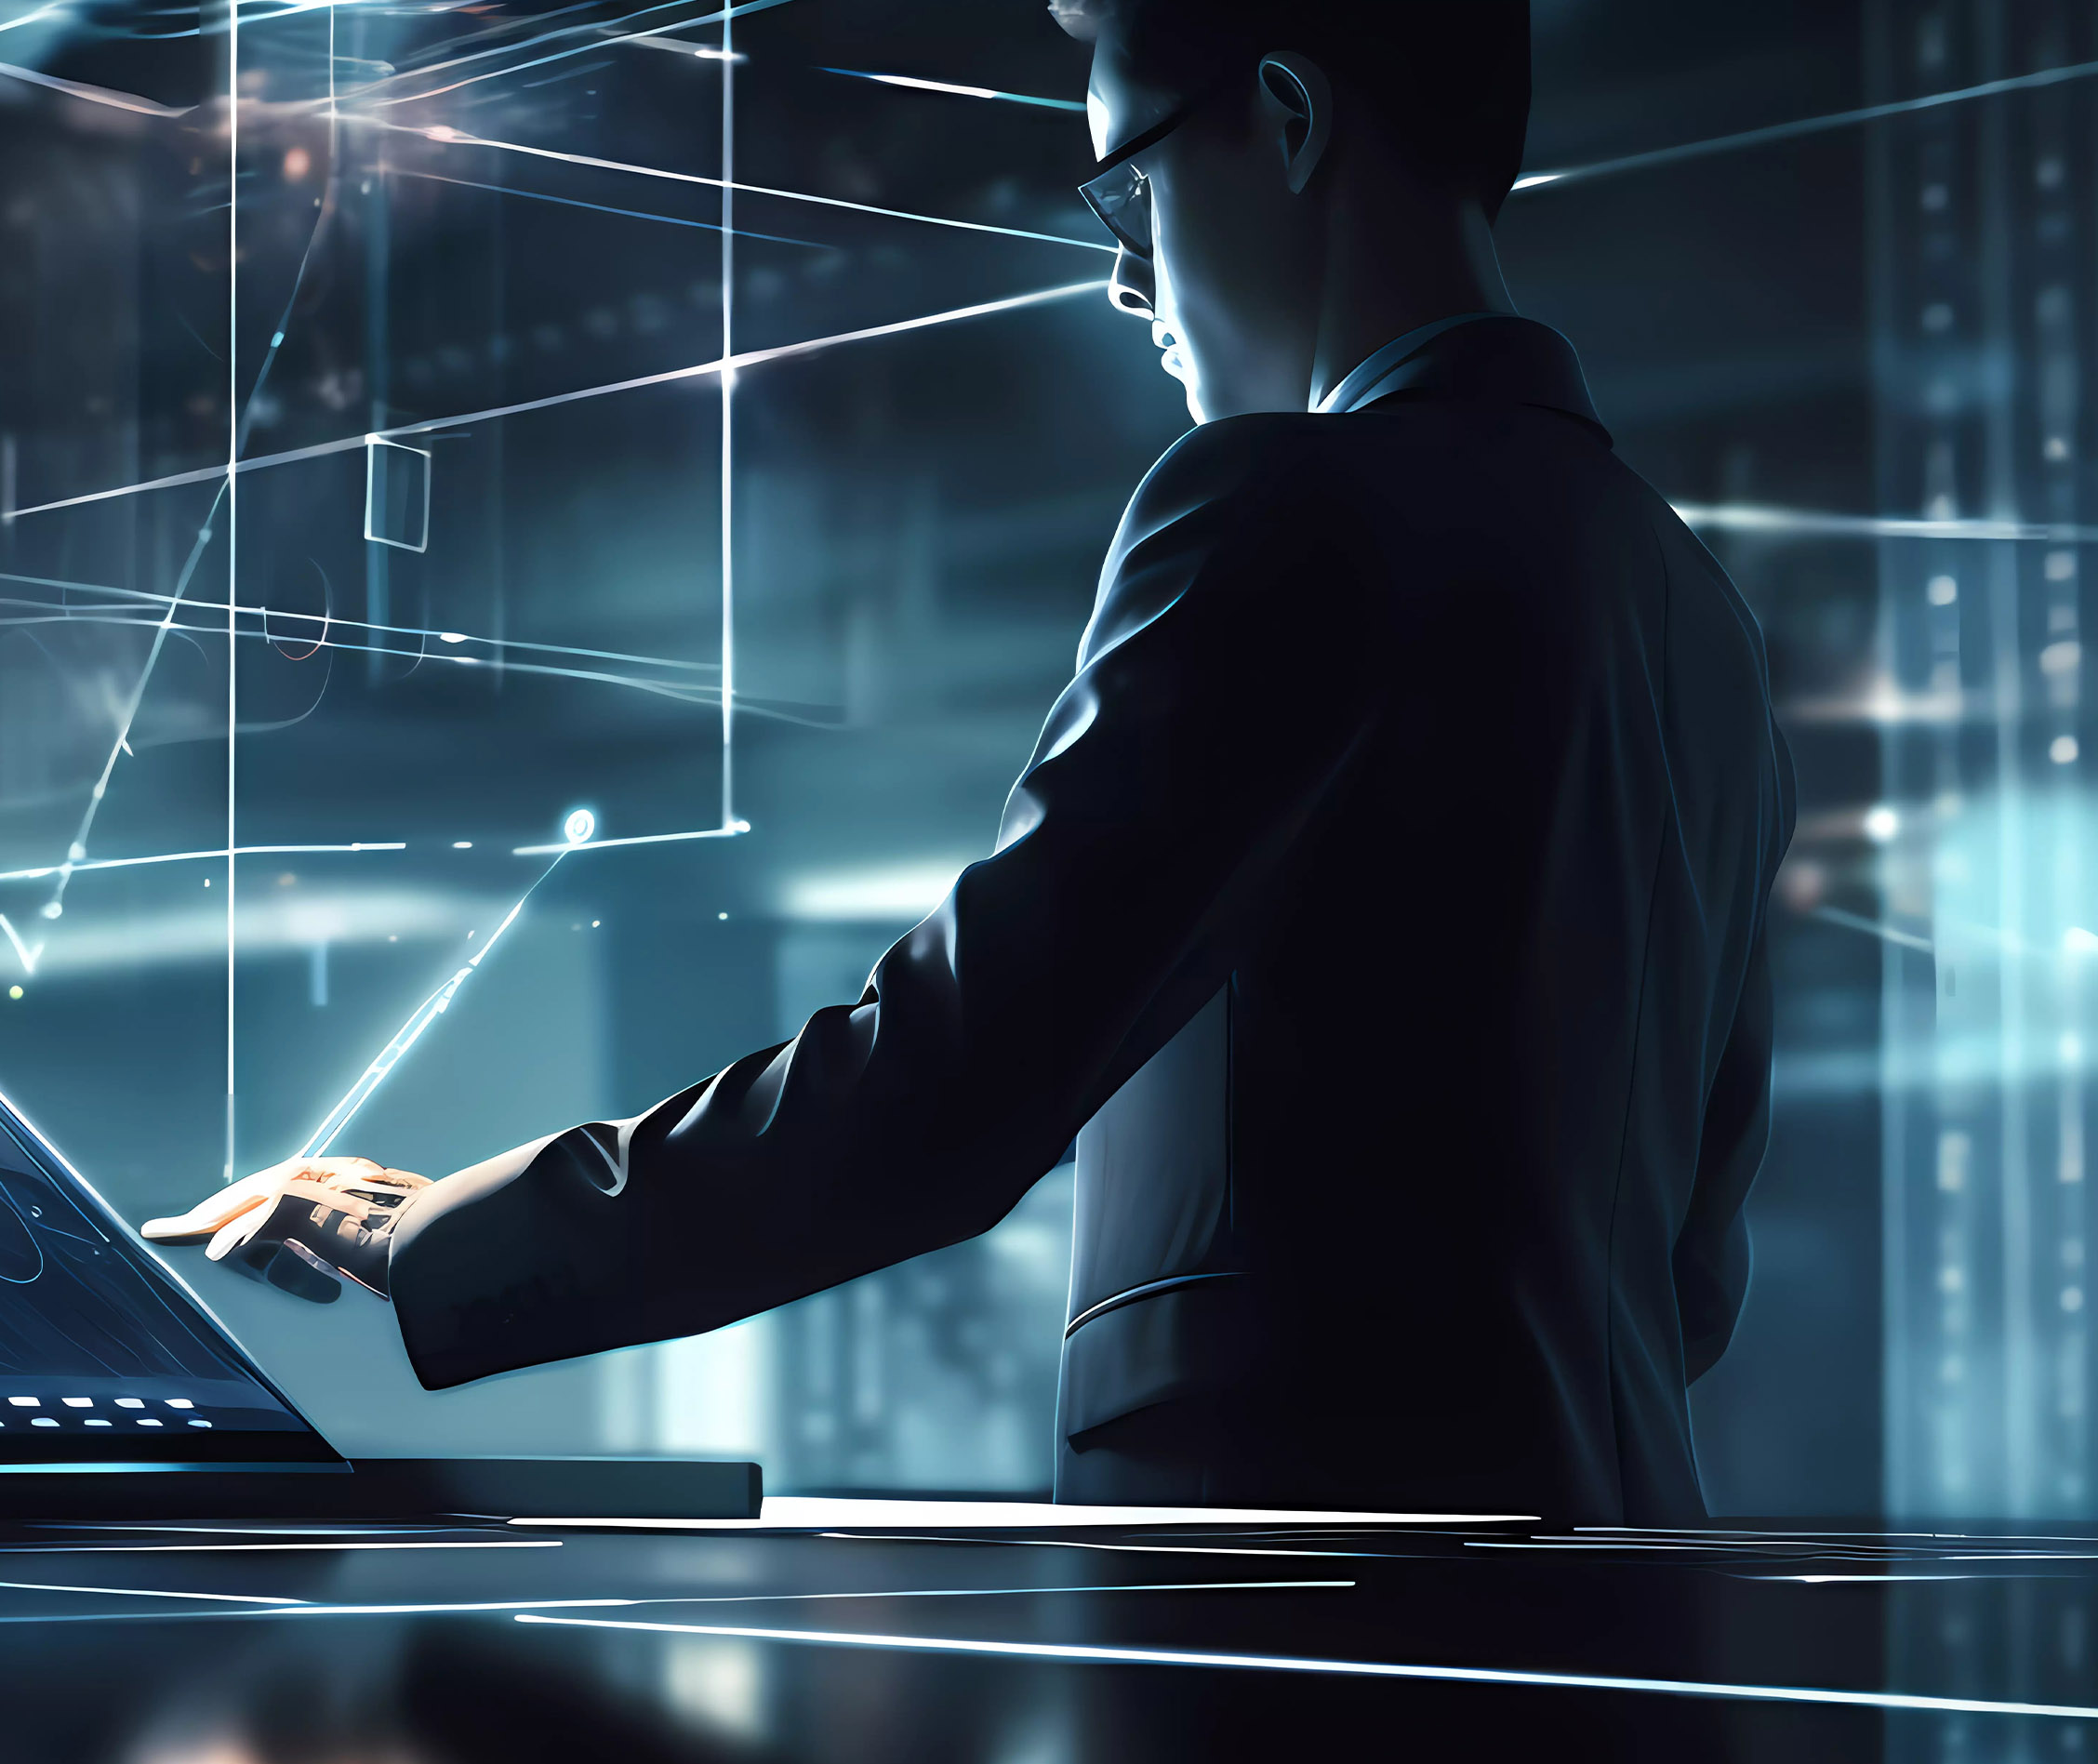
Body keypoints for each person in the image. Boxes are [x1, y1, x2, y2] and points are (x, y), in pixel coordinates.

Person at [143, 0, 1791, 1523]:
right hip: (1620, 1596)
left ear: (1286, 122)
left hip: (1307, 1651)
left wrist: (448, 1236)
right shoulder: (1698, 620)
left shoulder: (1288, 509)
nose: (1127, 284)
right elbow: (1689, 1282)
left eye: (1126, 194)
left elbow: (953, 1073)